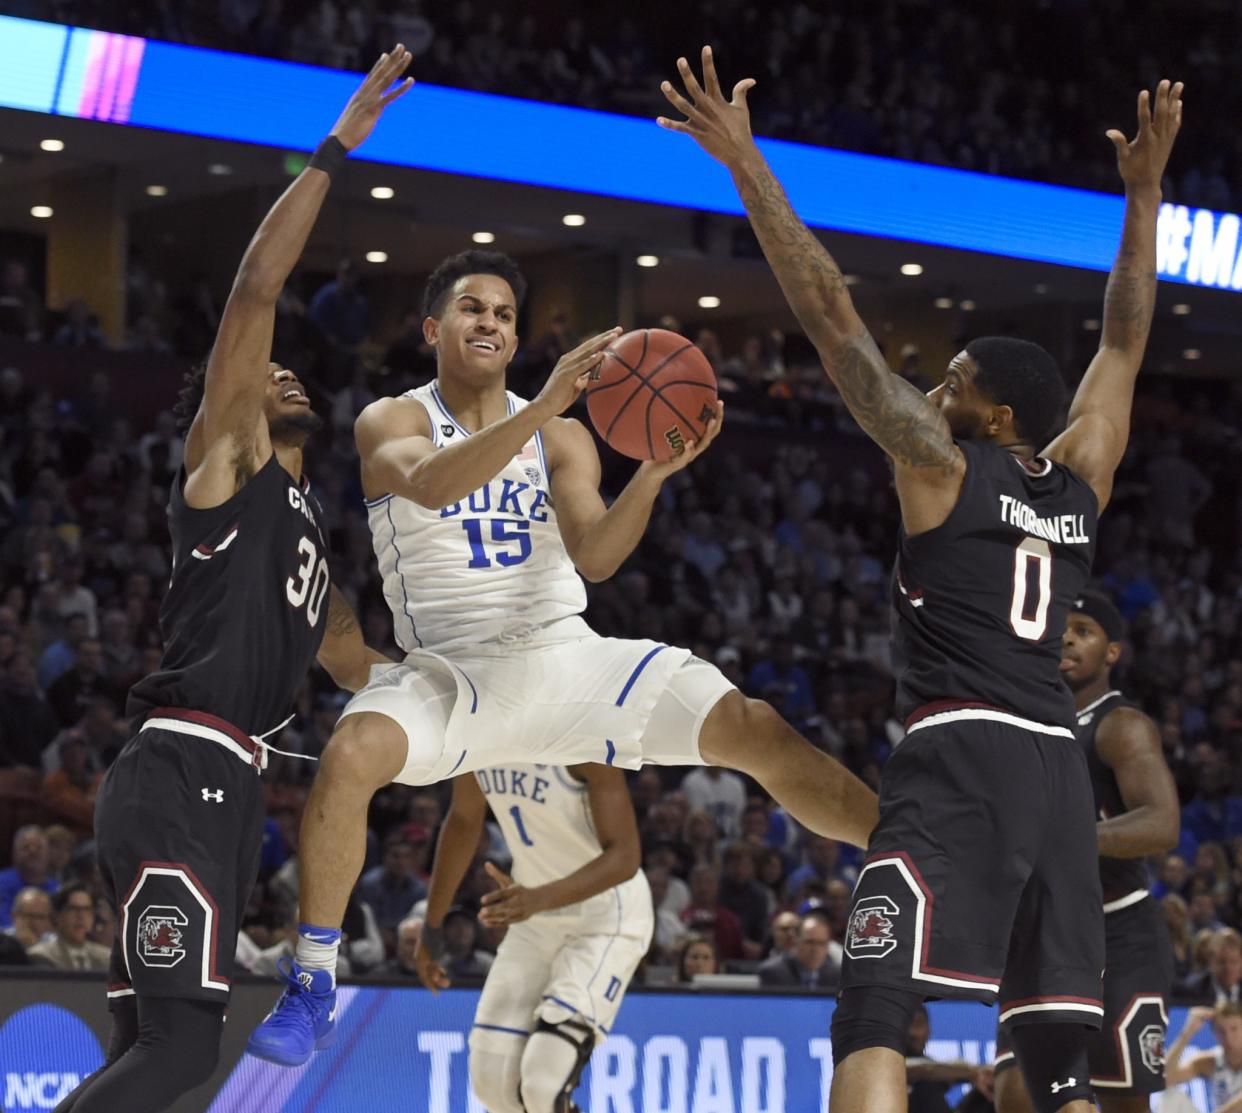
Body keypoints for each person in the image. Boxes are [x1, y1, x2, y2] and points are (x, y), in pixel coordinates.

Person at [660, 48, 1181, 1113]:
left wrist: (747, 166)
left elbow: (831, 318)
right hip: (1055, 771)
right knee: (1054, 1070)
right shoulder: (1081, 481)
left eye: (952, 381)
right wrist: (1145, 196)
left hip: (961, 755)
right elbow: (1125, 339)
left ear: (994, 417)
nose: (932, 388)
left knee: (872, 1012)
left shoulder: (941, 467)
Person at [248, 237, 877, 1059]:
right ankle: (313, 982)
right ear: (431, 327)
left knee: (751, 724)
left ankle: (912, 852)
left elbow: (599, 556)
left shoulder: (567, 439)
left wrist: (651, 474)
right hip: (457, 670)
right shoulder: (392, 418)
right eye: (473, 308)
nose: (492, 322)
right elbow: (435, 484)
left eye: (505, 314)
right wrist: (543, 405)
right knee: (353, 748)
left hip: (566, 655)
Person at [50, 49, 410, 1113]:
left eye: (296, 372)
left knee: (145, 1046)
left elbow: (363, 663)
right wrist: (336, 149)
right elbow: (257, 286)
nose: (281, 370)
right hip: (184, 766)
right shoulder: (229, 464)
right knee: (184, 1054)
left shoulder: (305, 543)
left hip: (216, 783)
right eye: (268, 372)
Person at [992, 592, 1178, 1112]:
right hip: (1039, 934)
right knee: (1015, 1093)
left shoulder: (1121, 726)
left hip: (1117, 934)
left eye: (1083, 630)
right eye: (1060, 627)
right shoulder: (1022, 724)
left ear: (1112, 653)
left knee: (1121, 1101)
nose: (1067, 637)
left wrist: (1065, 840)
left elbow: (1162, 823)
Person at [413, 763, 650, 1113]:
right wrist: (431, 926)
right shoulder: (477, 727)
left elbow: (625, 857)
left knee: (543, 1083)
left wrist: (537, 899)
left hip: (605, 916)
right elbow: (463, 818)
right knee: (492, 1085)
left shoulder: (582, 734)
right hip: (535, 917)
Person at [906, 1004, 995, 1113]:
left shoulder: (937, 1068)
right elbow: (922, 1070)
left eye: (918, 1025)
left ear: (929, 1031)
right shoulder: (887, 1063)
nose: (912, 1033)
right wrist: (973, 1072)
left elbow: (939, 1068)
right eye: (905, 1026)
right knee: (923, 1085)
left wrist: (984, 1075)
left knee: (993, 1089)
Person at [1164, 1003, 1242, 1112]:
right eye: (1220, 1030)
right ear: (1214, 1031)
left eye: (1234, 1029)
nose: (1228, 1037)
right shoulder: (1211, 1061)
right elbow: (1165, 1079)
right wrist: (1187, 1033)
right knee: (1170, 1097)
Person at [28, 883, 110, 971]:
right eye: (73, 909)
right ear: (57, 915)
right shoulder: (42, 956)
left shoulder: (107, 958)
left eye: (86, 909)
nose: (81, 916)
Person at [757, 912, 839, 991]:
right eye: (809, 942)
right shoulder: (773, 973)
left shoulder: (837, 976)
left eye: (821, 943)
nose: (815, 949)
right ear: (796, 941)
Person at [0, 826, 58, 928]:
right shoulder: (2, 883)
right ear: (14, 854)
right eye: (26, 847)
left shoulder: (57, 889)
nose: (33, 851)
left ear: (48, 854)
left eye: (39, 847)